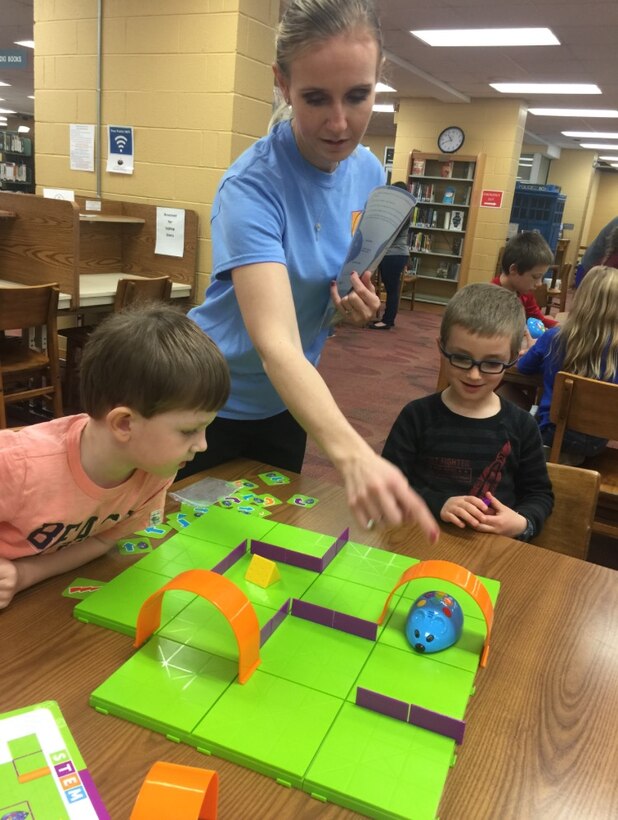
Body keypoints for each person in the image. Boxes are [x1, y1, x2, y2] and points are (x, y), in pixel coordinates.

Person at [183, 0, 438, 541]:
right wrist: (352, 456)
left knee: (266, 550)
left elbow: (338, 283)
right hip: (206, 402)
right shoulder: (251, 187)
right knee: (191, 553)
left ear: (378, 83)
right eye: (315, 98)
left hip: (291, 401)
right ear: (282, 84)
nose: (339, 123)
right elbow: (276, 343)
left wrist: (350, 311)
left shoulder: (367, 170)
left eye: (358, 96)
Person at [0, 304, 230, 610]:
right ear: (124, 423)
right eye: (189, 431)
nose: (202, 445)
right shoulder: (17, 466)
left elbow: (103, 540)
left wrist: (23, 574)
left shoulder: (157, 470)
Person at [383, 283, 553, 541]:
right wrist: (438, 503)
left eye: (492, 363)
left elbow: (539, 494)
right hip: (419, 540)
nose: (474, 375)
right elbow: (389, 485)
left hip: (490, 551)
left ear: (513, 358)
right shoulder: (416, 416)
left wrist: (522, 522)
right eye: (461, 358)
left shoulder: (522, 426)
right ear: (442, 348)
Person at [517, 265, 618, 462]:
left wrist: (532, 348)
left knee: (512, 399)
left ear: (581, 299)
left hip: (551, 434)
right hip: (597, 442)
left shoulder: (554, 337)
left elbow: (523, 368)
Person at [491, 231, 558, 329]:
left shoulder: (525, 294)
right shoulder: (491, 297)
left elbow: (539, 320)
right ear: (514, 269)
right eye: (535, 277)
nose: (539, 284)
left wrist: (560, 328)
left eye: (541, 277)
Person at [369, 180, 410, 330]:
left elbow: (389, 232)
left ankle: (387, 320)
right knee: (391, 288)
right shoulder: (402, 211)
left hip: (393, 254)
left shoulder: (401, 213)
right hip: (395, 254)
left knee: (392, 289)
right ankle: (387, 319)